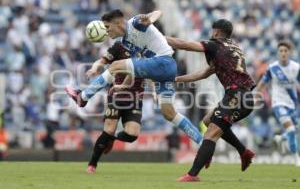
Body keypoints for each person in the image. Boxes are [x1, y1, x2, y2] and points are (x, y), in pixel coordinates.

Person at [65, 9, 202, 144]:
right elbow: (135, 68)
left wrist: (150, 20)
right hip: (167, 69)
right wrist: (123, 85)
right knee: (169, 113)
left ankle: (83, 97)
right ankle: (201, 141)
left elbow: (158, 12)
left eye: (107, 27)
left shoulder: (135, 23)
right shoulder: (126, 42)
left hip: (162, 62)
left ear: (118, 23)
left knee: (114, 66)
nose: (106, 31)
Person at [166, 19, 256, 181]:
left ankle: (192, 174)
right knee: (208, 120)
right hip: (242, 96)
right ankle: (243, 152)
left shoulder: (216, 44)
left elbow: (184, 44)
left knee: (211, 134)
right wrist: (177, 79)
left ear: (216, 32)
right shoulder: (232, 48)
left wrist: (157, 37)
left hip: (237, 96)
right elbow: (203, 73)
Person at [69, 42, 150, 173]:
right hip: (116, 96)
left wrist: (156, 91)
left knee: (132, 135)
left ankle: (111, 138)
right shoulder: (119, 45)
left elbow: (149, 73)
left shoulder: (147, 47)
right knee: (108, 129)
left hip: (135, 98)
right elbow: (102, 60)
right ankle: (92, 165)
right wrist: (95, 68)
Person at [256, 41, 300, 166]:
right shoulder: (273, 68)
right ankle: (296, 157)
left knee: (293, 130)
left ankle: (281, 138)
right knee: (291, 128)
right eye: (281, 51)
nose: (283, 53)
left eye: (285, 51)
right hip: (278, 103)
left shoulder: (296, 67)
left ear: (290, 52)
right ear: (278, 53)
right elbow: (263, 83)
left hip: (292, 103)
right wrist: (255, 95)